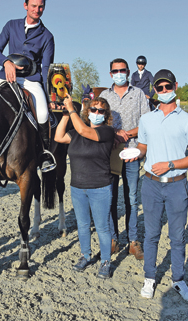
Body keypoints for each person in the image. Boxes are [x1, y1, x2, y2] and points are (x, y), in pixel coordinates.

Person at [125, 69, 188, 301]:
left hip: (177, 185)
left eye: (167, 87)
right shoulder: (147, 119)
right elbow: (144, 148)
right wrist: (134, 153)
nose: (164, 91)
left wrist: (170, 164)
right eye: (159, 88)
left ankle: (178, 279)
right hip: (150, 184)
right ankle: (150, 278)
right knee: (151, 234)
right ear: (155, 91)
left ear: (175, 86)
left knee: (177, 237)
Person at [0, 0, 56, 172]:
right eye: (33, 6)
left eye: (41, 6)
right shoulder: (11, 25)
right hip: (6, 76)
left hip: (31, 80)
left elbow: (46, 68)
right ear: (25, 6)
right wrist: (6, 62)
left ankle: (43, 154)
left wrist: (47, 94)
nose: (37, 9)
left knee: (42, 114)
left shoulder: (47, 36)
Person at [55, 93, 116, 279]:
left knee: (102, 226)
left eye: (100, 110)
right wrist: (66, 114)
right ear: (87, 112)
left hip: (100, 187)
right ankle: (85, 255)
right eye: (93, 109)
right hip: (77, 187)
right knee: (82, 225)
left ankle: (106, 261)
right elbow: (58, 136)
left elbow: (84, 131)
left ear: (105, 115)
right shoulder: (75, 133)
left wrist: (72, 109)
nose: (96, 112)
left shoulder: (106, 132)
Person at [99, 58, 151, 260]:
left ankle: (133, 240)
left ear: (128, 72)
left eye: (122, 70)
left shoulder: (138, 94)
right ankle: (113, 238)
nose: (119, 73)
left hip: (132, 152)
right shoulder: (104, 95)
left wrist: (127, 134)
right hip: (109, 153)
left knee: (131, 198)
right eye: (115, 70)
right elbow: (99, 123)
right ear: (110, 73)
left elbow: (145, 123)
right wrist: (113, 134)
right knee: (110, 197)